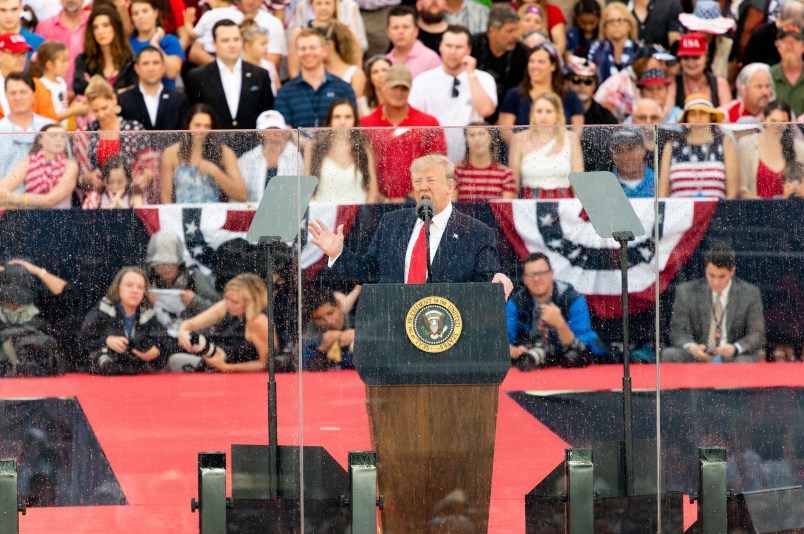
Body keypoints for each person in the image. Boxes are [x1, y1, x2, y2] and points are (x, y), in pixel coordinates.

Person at [308, 153, 513, 296]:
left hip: (448, 332)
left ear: (450, 187)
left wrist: (497, 281)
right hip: (396, 328)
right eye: (417, 181)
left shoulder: (476, 232)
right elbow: (370, 272)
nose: (422, 187)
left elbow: (486, 282)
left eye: (431, 180)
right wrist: (337, 253)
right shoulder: (391, 223)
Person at [663, 245, 765, 363]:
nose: (716, 282)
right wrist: (692, 347)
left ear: (732, 271)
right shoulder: (686, 291)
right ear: (705, 269)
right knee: (669, 354)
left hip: (732, 355)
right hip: (698, 353)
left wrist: (735, 348)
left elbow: (757, 334)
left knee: (743, 361)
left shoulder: (750, 293)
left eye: (722, 276)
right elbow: (677, 330)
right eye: (711, 275)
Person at [409, 25, 497, 161]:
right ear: (440, 47)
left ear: (468, 50)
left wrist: (471, 74)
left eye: (458, 47)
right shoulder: (422, 80)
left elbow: (486, 110)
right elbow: (414, 121)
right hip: (433, 156)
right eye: (449, 46)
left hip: (473, 157)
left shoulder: (484, 78)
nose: (452, 52)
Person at [507, 252, 608, 370]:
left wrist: (560, 324)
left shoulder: (572, 299)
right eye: (530, 274)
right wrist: (513, 351)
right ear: (524, 279)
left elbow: (583, 346)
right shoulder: (515, 303)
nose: (536, 279)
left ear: (551, 274)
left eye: (541, 273)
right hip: (532, 364)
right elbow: (502, 342)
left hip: (570, 365)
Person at [73, 76, 156, 206]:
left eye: (104, 108)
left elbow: (150, 165)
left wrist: (144, 178)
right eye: (95, 110)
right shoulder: (84, 134)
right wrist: (86, 179)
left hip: (132, 196)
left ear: (113, 99)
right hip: (98, 199)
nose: (101, 114)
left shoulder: (134, 129)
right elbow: (77, 176)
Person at [170, 273, 272, 373]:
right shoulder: (226, 306)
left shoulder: (259, 321)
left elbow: (264, 364)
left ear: (251, 302)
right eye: (226, 298)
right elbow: (191, 324)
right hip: (217, 359)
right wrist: (182, 331)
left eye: (235, 302)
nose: (229, 304)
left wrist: (226, 367)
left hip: (237, 371)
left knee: (175, 360)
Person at [185, 19, 274, 131]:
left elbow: (267, 114)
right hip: (213, 145)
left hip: (253, 145)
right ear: (214, 44)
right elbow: (193, 115)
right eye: (225, 40)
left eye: (236, 39)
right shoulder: (198, 76)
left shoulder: (260, 74)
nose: (232, 45)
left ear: (242, 41)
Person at [77, 266, 168, 374]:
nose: (135, 290)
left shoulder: (149, 313)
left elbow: (165, 341)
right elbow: (82, 341)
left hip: (139, 372)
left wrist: (157, 351)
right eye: (129, 285)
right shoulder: (103, 310)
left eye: (140, 287)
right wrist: (106, 341)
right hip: (104, 375)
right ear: (119, 287)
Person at [160, 104, 248, 203]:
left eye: (207, 126)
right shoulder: (171, 153)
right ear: (188, 125)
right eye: (197, 125)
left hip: (214, 215)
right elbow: (165, 197)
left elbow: (242, 195)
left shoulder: (225, 152)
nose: (202, 130)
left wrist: (215, 171)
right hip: (181, 215)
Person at [659, 94, 738, 199]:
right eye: (692, 113)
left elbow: (732, 193)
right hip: (678, 213)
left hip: (718, 213)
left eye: (703, 112)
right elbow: (662, 194)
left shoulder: (725, 142)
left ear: (711, 116)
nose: (698, 117)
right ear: (686, 118)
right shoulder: (671, 146)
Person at [274, 28, 357, 128]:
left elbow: (353, 129)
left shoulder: (344, 88)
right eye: (303, 48)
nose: (308, 52)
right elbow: (283, 132)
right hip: (298, 144)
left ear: (324, 51)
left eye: (313, 48)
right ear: (296, 53)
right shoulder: (285, 92)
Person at [509, 92, 583, 198]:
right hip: (529, 205)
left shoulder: (571, 138)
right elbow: (513, 184)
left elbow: (578, 182)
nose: (543, 116)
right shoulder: (518, 139)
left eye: (549, 111)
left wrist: (578, 210)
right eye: (539, 111)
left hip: (565, 206)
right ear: (532, 114)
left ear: (557, 114)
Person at [305, 99, 379, 203]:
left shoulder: (364, 147)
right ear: (330, 121)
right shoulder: (314, 147)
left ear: (355, 121)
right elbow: (307, 189)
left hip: (358, 215)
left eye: (348, 117)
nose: (342, 121)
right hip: (321, 215)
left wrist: (364, 215)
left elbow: (373, 188)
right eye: (337, 117)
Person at [498, 42, 584, 128]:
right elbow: (506, 133)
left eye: (541, 62)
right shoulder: (514, 95)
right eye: (531, 61)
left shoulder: (569, 95)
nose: (535, 66)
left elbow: (577, 131)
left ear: (553, 66)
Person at [471, 5, 528, 125]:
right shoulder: (472, 45)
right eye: (509, 31)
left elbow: (522, 92)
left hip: (510, 119)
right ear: (492, 31)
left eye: (516, 30)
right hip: (474, 117)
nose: (515, 36)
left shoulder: (524, 53)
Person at [145, 230, 220, 321]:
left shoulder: (193, 277)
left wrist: (194, 301)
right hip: (156, 333)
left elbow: (219, 310)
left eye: (170, 263)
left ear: (179, 263)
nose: (165, 268)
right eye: (158, 264)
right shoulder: (146, 279)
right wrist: (147, 303)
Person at [0, 124, 77, 209]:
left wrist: (14, 198)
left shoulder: (71, 165)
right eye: (53, 135)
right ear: (40, 140)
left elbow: (50, 200)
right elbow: (2, 190)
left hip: (60, 217)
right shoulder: (28, 161)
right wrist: (12, 204)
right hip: (30, 216)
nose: (59, 139)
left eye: (63, 136)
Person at [738, 100, 804, 199]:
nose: (778, 125)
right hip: (754, 210)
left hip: (789, 211)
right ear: (764, 119)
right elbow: (741, 189)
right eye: (773, 120)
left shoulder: (799, 147)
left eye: (783, 121)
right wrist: (764, 205)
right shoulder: (746, 143)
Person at [118, 46, 189, 133]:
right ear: (136, 68)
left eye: (155, 63)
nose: (151, 68)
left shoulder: (179, 99)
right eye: (145, 63)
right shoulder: (123, 99)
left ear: (163, 67)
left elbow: (183, 134)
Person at [0, 72, 55, 181]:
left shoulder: (49, 127)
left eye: (23, 92)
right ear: (6, 96)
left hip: (45, 194)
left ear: (34, 95)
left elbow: (66, 167)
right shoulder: (1, 129)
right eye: (13, 93)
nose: (18, 97)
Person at [237, 110, 299, 203]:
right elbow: (240, 196)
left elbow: (299, 192)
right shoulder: (247, 159)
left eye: (277, 128)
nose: (274, 132)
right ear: (260, 132)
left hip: (286, 213)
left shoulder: (294, 155)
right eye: (269, 128)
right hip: (254, 214)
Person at [73, 6, 138, 96]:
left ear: (116, 28)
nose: (100, 31)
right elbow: (79, 88)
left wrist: (94, 87)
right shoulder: (83, 60)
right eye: (95, 27)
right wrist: (118, 92)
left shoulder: (131, 62)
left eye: (105, 25)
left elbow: (134, 94)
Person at [35, 0, 90, 100]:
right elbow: (38, 66)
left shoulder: (94, 25)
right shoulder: (44, 28)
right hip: (51, 98)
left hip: (89, 99)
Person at [28, 41, 89, 127]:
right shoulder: (42, 85)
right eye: (63, 61)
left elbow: (62, 105)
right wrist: (75, 111)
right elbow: (49, 117)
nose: (67, 65)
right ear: (50, 65)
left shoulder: (61, 81)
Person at [128, 0, 185, 90]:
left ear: (155, 12)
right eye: (135, 13)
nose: (141, 16)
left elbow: (172, 72)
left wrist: (155, 44)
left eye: (145, 11)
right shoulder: (129, 44)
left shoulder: (170, 40)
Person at [0, 33, 56, 121]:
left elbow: (50, 122)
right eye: (15, 54)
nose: (21, 59)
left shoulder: (37, 86)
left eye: (23, 54)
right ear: (1, 55)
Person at [454, 122, 516, 200]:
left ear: (491, 137)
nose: (477, 139)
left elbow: (505, 209)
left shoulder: (506, 174)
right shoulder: (456, 171)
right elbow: (452, 206)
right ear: (466, 140)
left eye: (481, 134)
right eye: (472, 135)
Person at [301, 286, 356, 370]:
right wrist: (321, 349)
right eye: (319, 319)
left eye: (330, 313)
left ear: (339, 305)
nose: (328, 321)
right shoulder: (307, 335)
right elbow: (305, 368)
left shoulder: (360, 321)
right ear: (312, 319)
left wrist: (359, 338)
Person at [674, 32, 732, 112]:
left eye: (696, 57)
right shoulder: (672, 83)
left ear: (706, 57)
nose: (690, 63)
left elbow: (727, 118)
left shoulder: (720, 84)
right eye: (685, 57)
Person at [586, 3, 640, 84]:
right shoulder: (595, 50)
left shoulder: (639, 50)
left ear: (629, 25)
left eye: (620, 20)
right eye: (611, 21)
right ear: (604, 27)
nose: (616, 24)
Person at [386, 5, 442, 79]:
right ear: (388, 33)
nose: (400, 32)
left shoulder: (431, 59)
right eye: (395, 27)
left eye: (406, 27)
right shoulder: (386, 61)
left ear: (416, 31)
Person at [320, 21, 366, 98]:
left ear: (329, 44)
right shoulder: (316, 71)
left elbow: (355, 104)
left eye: (317, 46)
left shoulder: (355, 74)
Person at [770, 23, 804, 117]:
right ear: (778, 47)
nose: (789, 46)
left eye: (794, 41)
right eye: (785, 41)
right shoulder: (767, 76)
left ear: (803, 46)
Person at [609, 128, 655, 198]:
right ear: (612, 154)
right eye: (619, 150)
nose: (626, 157)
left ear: (643, 149)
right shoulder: (605, 185)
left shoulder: (660, 183)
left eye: (631, 149)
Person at [239, 19, 281, 97]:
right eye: (262, 44)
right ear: (248, 46)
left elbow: (278, 91)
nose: (267, 47)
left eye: (267, 43)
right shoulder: (239, 68)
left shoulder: (269, 66)